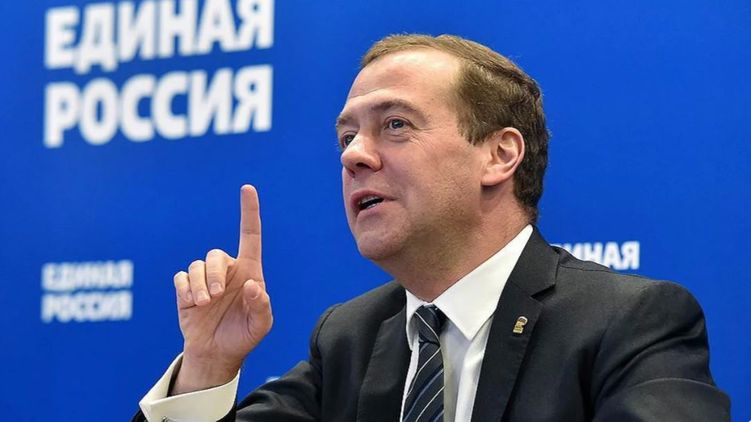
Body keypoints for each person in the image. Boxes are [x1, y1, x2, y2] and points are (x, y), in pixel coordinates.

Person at [135, 34, 730, 421]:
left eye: (395, 125)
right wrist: (207, 367)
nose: (353, 156)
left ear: (498, 155)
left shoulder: (628, 323)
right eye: (347, 137)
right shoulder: (348, 339)